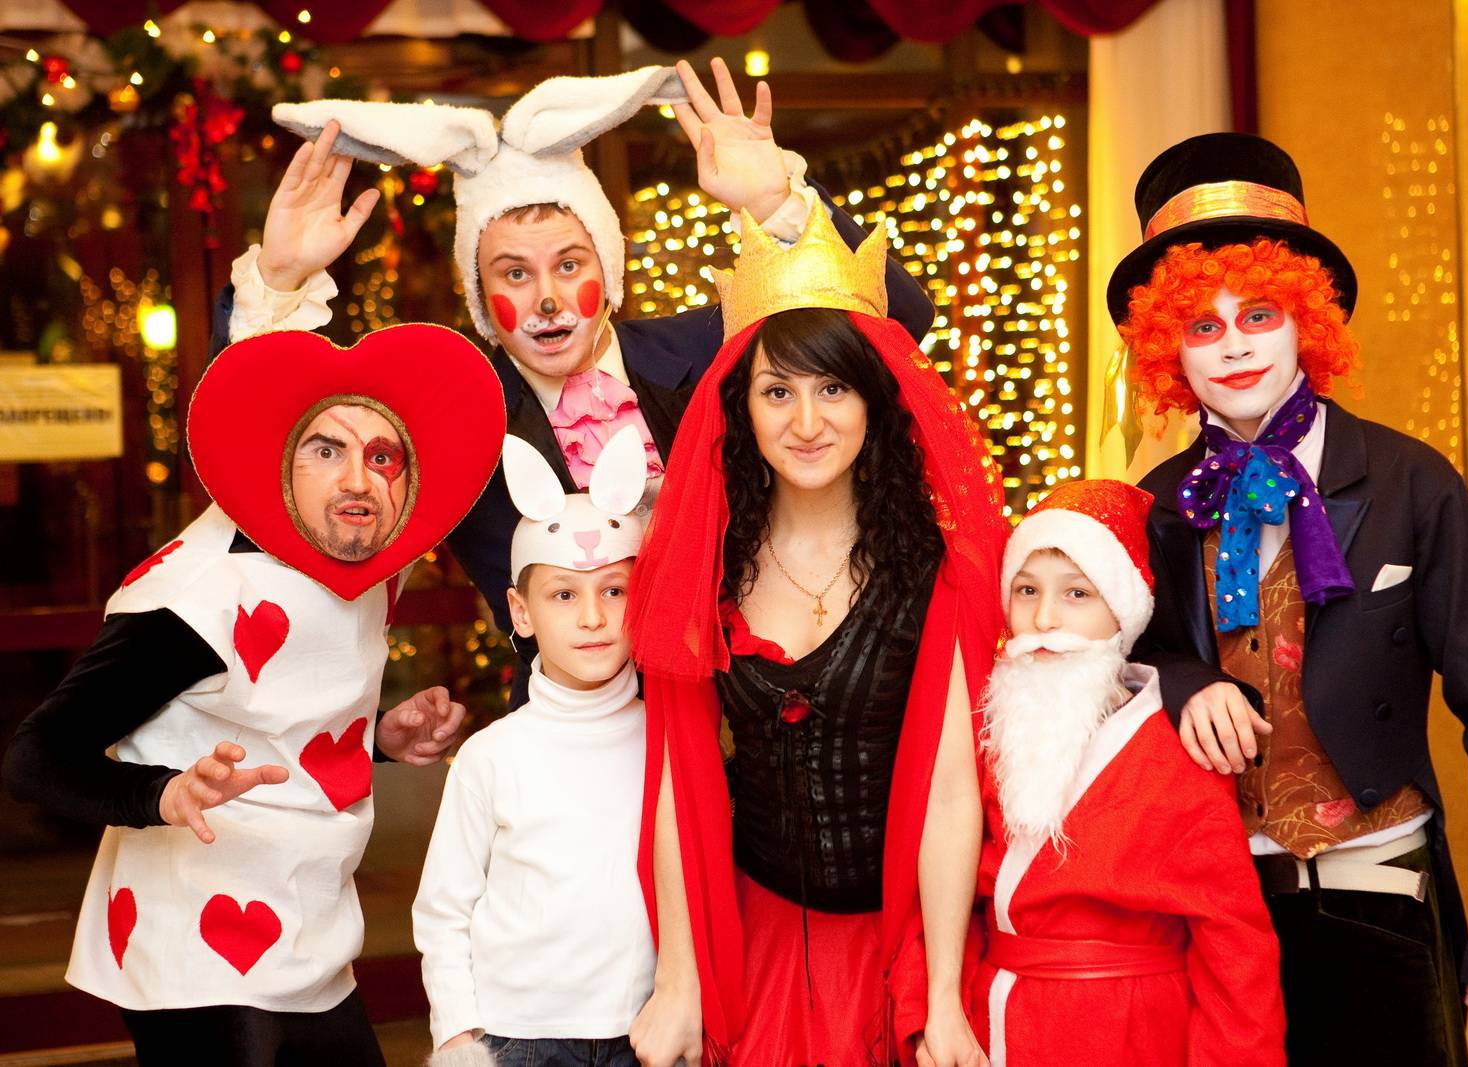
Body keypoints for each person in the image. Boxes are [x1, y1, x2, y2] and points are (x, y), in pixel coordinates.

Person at [217, 59, 936, 705]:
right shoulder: (453, 415)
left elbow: (895, 320)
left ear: (608, 269)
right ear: (481, 298)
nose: (547, 300)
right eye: (514, 274)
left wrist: (777, 202)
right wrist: (278, 281)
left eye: (568, 265)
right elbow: (279, 457)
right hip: (564, 741)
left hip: (747, 724)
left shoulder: (711, 347)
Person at [1113, 132, 1468, 1065]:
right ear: (1169, 350)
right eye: (1202, 326)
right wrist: (1183, 679)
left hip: (1384, 898)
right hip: (1213, 910)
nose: (1235, 345)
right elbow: (1119, 658)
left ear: (1307, 323)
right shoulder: (1153, 505)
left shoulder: (1414, 483)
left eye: (1259, 313)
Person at [1, 323, 507, 1064]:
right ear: (279, 464)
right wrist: (163, 794)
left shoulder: (363, 565)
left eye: (381, 456)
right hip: (194, 953)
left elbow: (271, 708)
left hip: (311, 932)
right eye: (326, 451)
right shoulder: (196, 600)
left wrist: (378, 736)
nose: (358, 480)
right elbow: (35, 758)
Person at [625, 199, 1008, 1066]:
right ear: (742, 408)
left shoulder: (936, 567)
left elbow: (951, 789)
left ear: (874, 399)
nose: (806, 423)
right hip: (757, 934)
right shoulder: (707, 562)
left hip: (903, 937)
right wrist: (679, 976)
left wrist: (944, 995)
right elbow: (679, 776)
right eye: (778, 391)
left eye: (832, 387)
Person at [967, 479, 1283, 1065]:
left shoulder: (1178, 744)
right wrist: (934, 1014)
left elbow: (1232, 938)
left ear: (1122, 611)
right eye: (1027, 589)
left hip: (1132, 1029)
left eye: (1077, 593)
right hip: (992, 1021)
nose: (1043, 618)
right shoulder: (982, 728)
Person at [413, 427, 655, 1067]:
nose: (592, 618)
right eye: (563, 595)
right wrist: (458, 1032)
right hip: (520, 1036)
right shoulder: (492, 756)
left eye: (613, 590)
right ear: (521, 612)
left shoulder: (667, 740)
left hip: (647, 1030)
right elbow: (444, 908)